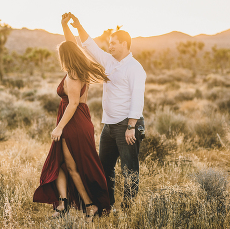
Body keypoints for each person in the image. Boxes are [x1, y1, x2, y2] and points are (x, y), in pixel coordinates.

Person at [60, 12, 147, 211]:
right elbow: (89, 46)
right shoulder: (108, 61)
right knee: (104, 167)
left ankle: (129, 208)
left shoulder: (135, 68)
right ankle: (108, 205)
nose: (110, 46)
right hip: (109, 125)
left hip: (127, 125)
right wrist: (78, 26)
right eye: (109, 43)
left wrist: (132, 126)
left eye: (114, 43)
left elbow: (137, 98)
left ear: (124, 44)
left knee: (129, 168)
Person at [32, 31, 112, 221]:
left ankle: (90, 205)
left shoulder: (73, 75)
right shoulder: (78, 71)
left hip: (73, 122)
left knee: (71, 165)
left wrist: (59, 127)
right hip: (76, 120)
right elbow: (71, 44)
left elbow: (73, 103)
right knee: (59, 162)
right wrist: (65, 26)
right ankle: (62, 203)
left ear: (65, 56)